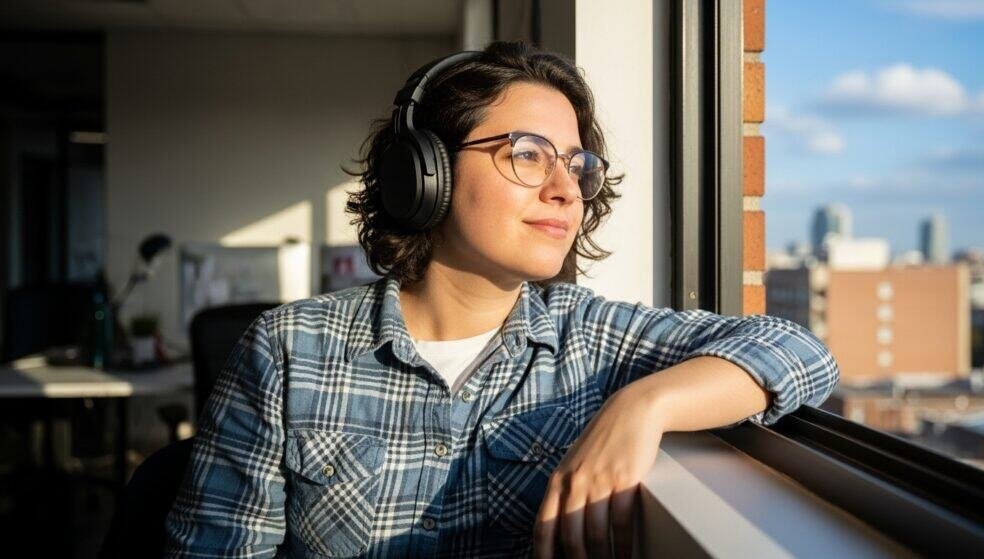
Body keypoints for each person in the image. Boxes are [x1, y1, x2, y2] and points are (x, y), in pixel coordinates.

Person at [165, 40, 839, 559]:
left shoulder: (591, 341)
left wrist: (644, 405)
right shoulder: (289, 349)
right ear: (424, 172)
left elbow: (798, 350)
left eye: (576, 165)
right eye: (527, 154)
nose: (567, 190)